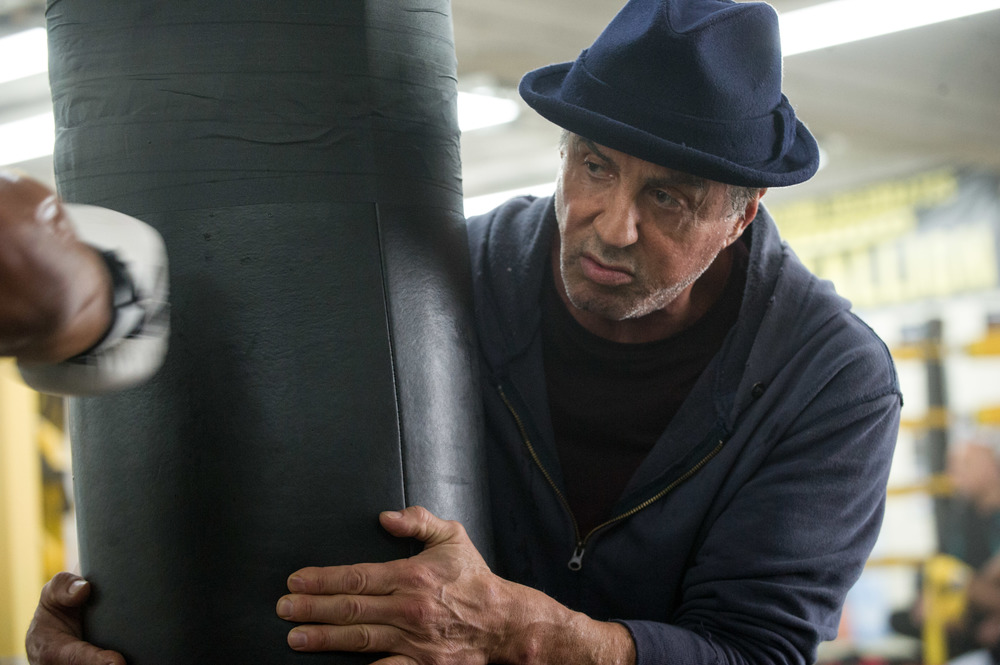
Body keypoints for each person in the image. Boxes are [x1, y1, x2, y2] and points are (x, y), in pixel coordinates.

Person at [11, 0, 901, 663]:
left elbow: (755, 650)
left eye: (667, 196)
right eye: (595, 166)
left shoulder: (827, 381)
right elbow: (240, 357)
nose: (611, 224)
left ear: (742, 214)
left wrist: (526, 632)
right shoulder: (450, 277)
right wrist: (121, 619)